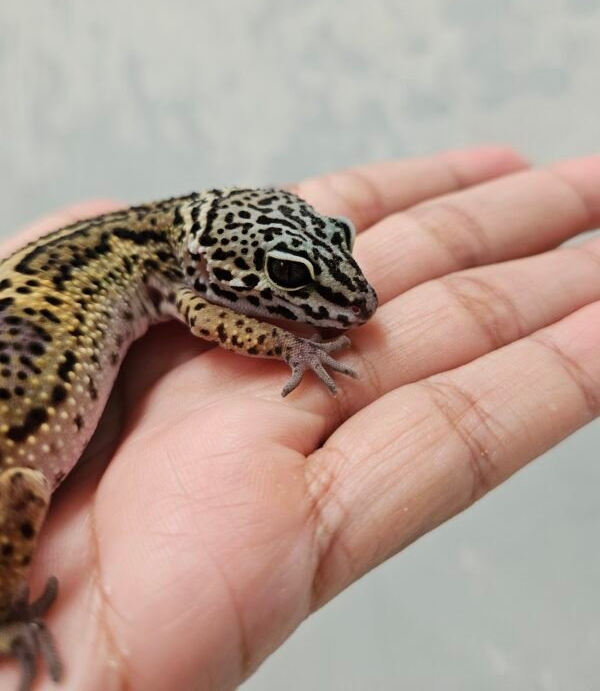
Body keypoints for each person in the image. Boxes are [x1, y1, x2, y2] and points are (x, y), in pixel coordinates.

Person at [1, 146, 597, 689]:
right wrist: (292, 345)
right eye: (289, 274)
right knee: (21, 489)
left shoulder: (149, 248)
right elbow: (206, 317)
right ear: (205, 262)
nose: (357, 298)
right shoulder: (171, 273)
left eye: (338, 243)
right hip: (21, 439)